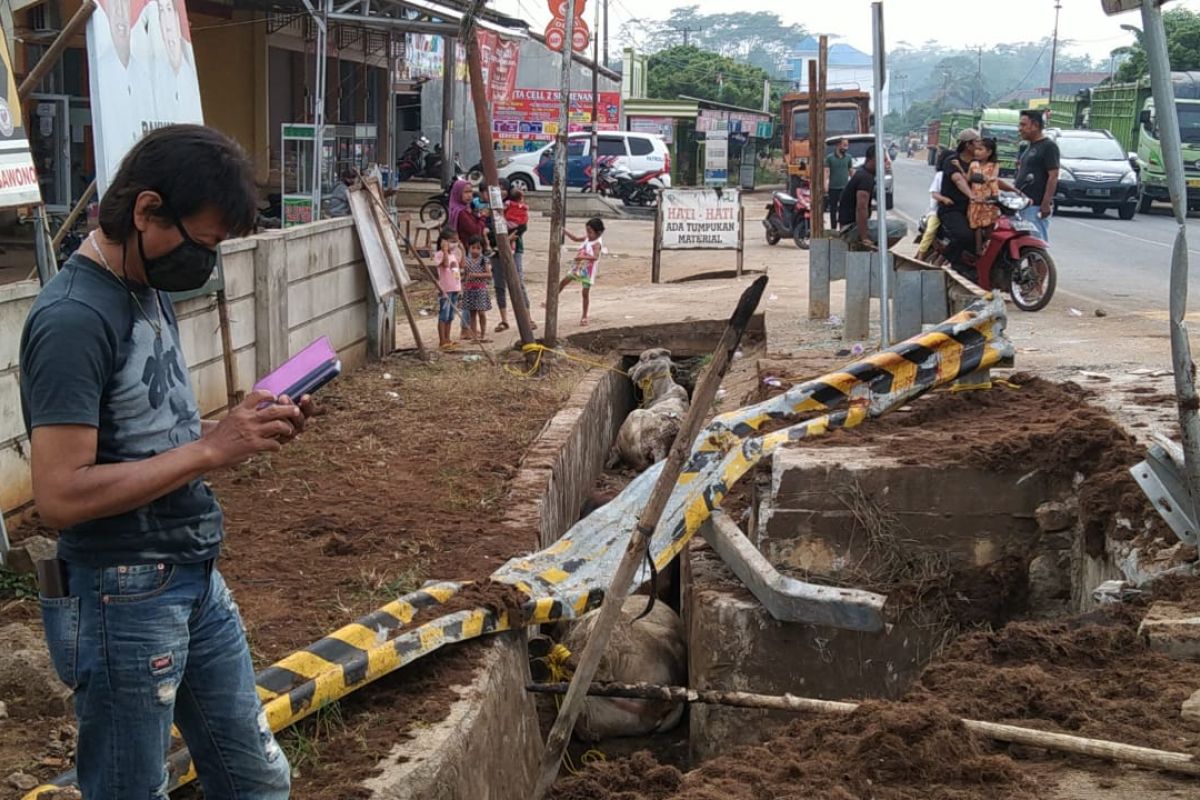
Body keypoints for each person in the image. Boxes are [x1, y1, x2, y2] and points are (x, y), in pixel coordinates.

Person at [19, 125, 302, 800]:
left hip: (191, 575)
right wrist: (210, 448)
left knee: (256, 780)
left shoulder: (142, 285)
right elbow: (58, 495)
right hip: (123, 595)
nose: (205, 263)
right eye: (203, 243)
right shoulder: (72, 319)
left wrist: (238, 427)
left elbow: (152, 436)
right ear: (147, 211)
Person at [837, 145, 907, 249]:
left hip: (848, 225)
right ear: (874, 160)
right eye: (883, 160)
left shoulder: (863, 173)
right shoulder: (865, 177)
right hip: (850, 229)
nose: (887, 163)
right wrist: (864, 237)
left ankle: (873, 250)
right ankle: (873, 252)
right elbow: (861, 208)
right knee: (901, 227)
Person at [937, 134, 980, 272]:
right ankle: (948, 260)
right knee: (965, 235)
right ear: (968, 145)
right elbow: (959, 180)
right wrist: (971, 195)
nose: (980, 145)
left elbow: (991, 180)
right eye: (977, 142)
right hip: (952, 209)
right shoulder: (952, 161)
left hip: (974, 208)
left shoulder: (978, 163)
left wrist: (1013, 190)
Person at [1015, 109, 1060, 242]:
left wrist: (1045, 203)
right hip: (1023, 204)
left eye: (1023, 125)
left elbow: (1053, 176)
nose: (1020, 129)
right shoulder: (1029, 146)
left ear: (1035, 125)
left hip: (1036, 206)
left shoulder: (1048, 146)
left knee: (1035, 245)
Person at [968, 138, 1018, 255]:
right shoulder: (973, 164)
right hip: (975, 200)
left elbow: (994, 180)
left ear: (989, 152)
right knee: (977, 227)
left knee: (990, 225)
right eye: (977, 149)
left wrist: (994, 194)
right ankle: (978, 251)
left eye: (980, 149)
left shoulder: (994, 165)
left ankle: (989, 249)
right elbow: (968, 178)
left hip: (990, 200)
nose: (977, 152)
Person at [555, 217, 605, 327]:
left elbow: (595, 257)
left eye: (590, 232)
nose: (588, 234)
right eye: (587, 231)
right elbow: (576, 238)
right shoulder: (588, 238)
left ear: (598, 233)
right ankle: (553, 300)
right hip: (578, 266)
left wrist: (583, 256)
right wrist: (564, 231)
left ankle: (584, 316)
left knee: (585, 293)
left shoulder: (597, 243)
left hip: (588, 270)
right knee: (564, 281)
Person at [495, 187, 533, 333]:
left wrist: (509, 235)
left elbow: (523, 227)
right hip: (497, 249)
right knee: (500, 285)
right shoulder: (496, 210)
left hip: (514, 246)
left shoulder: (507, 209)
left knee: (518, 282)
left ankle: (527, 318)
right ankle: (504, 320)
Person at [433, 227, 463, 350]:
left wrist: (463, 250)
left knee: (450, 316)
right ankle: (442, 340)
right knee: (443, 315)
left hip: (454, 288)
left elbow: (460, 267)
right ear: (444, 241)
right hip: (445, 289)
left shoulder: (453, 255)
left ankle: (448, 338)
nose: (455, 243)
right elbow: (445, 264)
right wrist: (444, 250)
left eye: (456, 240)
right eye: (452, 241)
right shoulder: (439, 254)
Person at [461, 235, 493, 340]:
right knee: (472, 314)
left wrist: (475, 275)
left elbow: (489, 275)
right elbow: (464, 275)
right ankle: (474, 335)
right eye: (473, 248)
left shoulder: (484, 260)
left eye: (478, 248)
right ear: (469, 248)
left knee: (481, 313)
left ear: (482, 249)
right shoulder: (466, 261)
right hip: (469, 290)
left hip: (480, 289)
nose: (475, 250)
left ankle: (483, 335)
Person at [825, 137, 854, 230]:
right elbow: (826, 173)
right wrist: (825, 184)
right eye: (844, 145)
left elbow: (851, 172)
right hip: (833, 188)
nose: (846, 147)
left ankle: (843, 228)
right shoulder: (830, 158)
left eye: (847, 145)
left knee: (844, 209)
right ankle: (833, 228)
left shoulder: (848, 158)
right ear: (838, 145)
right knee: (833, 209)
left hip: (845, 188)